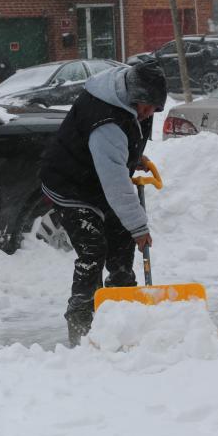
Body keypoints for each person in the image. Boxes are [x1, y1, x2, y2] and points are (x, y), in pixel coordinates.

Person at [39, 61, 168, 346]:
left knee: (121, 241)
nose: (149, 113)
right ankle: (81, 325)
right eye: (147, 107)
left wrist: (132, 157)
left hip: (96, 179)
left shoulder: (131, 100)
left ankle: (123, 312)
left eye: (155, 109)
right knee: (93, 250)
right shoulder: (106, 122)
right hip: (70, 183)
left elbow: (120, 147)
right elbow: (115, 183)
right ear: (134, 96)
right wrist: (139, 227)